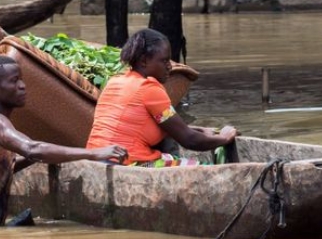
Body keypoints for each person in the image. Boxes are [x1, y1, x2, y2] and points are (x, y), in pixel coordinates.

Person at [0, 55, 128, 228]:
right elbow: (32, 149)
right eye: (14, 81)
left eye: (21, 79)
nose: (22, 86)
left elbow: (4, 168)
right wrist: (94, 153)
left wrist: (51, 154)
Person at [87, 28, 237, 167]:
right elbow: (189, 140)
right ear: (144, 61)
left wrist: (200, 130)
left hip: (95, 160)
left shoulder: (115, 81)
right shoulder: (149, 88)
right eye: (164, 61)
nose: (169, 66)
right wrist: (224, 138)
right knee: (205, 169)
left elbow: (159, 124)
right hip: (129, 164)